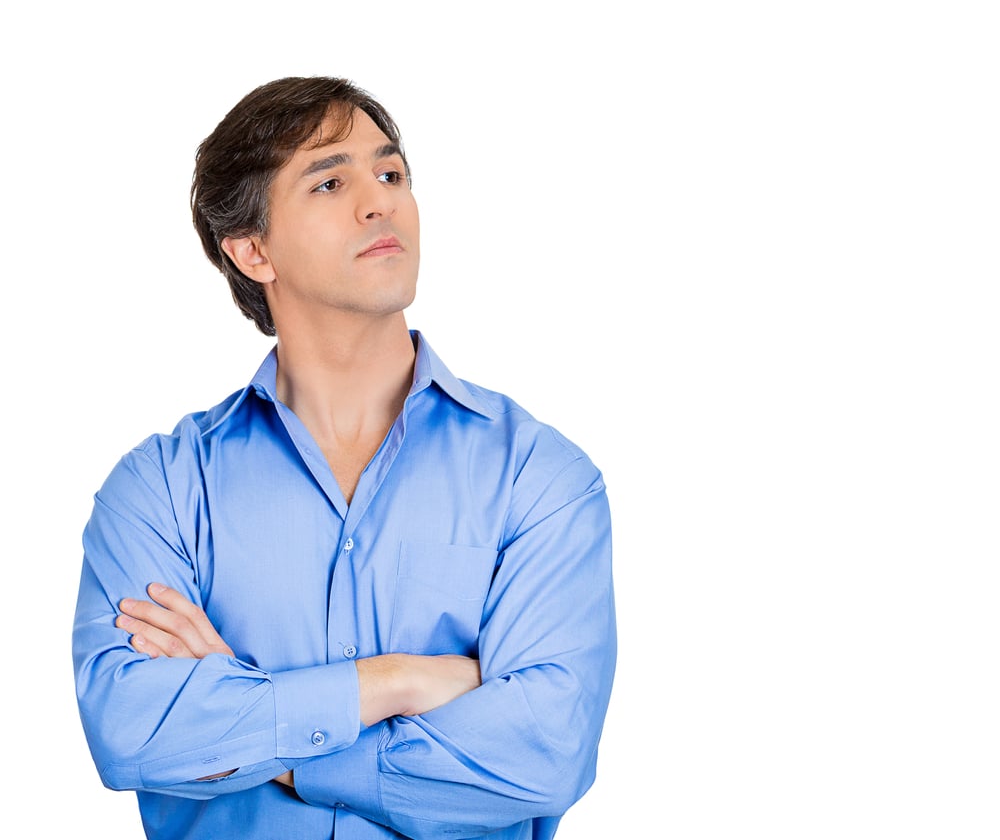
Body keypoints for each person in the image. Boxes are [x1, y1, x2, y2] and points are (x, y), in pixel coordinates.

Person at [72, 76, 616, 840]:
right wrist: (396, 680)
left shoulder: (540, 477)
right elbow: (134, 732)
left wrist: (264, 726)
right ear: (252, 249)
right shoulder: (158, 490)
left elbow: (544, 752)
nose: (379, 201)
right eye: (332, 181)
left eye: (391, 174)